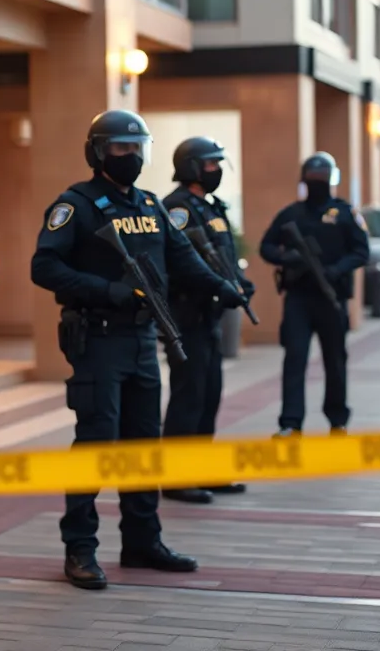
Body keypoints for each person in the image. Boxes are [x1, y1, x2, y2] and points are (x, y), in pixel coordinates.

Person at [31, 109, 244, 591]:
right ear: (98, 153)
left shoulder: (150, 205)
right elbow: (44, 267)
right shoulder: (76, 206)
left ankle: (143, 541)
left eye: (136, 149)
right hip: (100, 339)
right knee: (96, 445)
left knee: (144, 446)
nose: (131, 157)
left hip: (144, 340)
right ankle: (80, 548)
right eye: (121, 149)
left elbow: (183, 257)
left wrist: (221, 287)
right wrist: (109, 292)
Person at [161, 136, 254, 502]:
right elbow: (184, 265)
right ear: (192, 167)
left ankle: (201, 469)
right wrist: (217, 286)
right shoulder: (178, 209)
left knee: (210, 393)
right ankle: (177, 477)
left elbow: (222, 255)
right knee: (189, 394)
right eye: (211, 164)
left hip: (209, 315)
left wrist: (240, 283)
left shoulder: (211, 207)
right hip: (187, 314)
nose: (216, 170)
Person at [259, 152, 370, 437]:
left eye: (322, 177)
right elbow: (266, 247)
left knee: (335, 360)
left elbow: (361, 252)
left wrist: (336, 270)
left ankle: (337, 420)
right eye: (313, 177)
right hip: (299, 298)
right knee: (295, 359)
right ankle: (290, 423)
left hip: (332, 297)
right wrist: (291, 257)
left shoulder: (345, 213)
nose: (317, 182)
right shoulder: (291, 214)